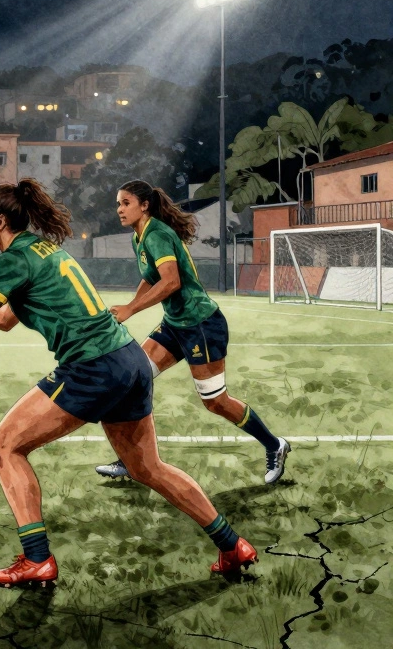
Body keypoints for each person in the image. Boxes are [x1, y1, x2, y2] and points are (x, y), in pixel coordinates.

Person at [0, 179, 256, 588]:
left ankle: (37, 559)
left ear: (0, 221)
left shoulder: (11, 260)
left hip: (93, 368)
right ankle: (233, 545)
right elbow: (1, 319)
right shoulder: (42, 249)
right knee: (147, 468)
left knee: (3, 446)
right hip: (130, 360)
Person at [94, 180, 289, 484]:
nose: (119, 209)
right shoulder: (139, 236)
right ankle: (133, 460)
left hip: (201, 325)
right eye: (118, 203)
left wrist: (132, 310)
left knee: (216, 402)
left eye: (126, 203)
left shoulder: (157, 234)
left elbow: (171, 282)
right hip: (176, 324)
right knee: (133, 378)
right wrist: (131, 304)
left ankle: (274, 445)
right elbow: (151, 276)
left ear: (144, 205)